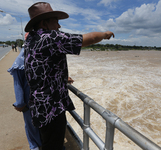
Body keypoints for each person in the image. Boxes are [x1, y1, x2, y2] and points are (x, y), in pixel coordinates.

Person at [24, 2, 114, 150]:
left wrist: (62, 78)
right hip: (51, 108)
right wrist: (105, 34)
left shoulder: (31, 40)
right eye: (56, 22)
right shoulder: (49, 37)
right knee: (54, 145)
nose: (59, 26)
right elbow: (88, 39)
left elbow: (41, 65)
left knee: (48, 142)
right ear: (44, 23)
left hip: (38, 105)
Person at [7, 33, 42, 150]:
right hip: (32, 100)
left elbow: (17, 84)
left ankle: (35, 145)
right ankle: (36, 145)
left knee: (32, 124)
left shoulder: (21, 60)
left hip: (31, 100)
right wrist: (20, 103)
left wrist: (20, 103)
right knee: (33, 124)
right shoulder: (34, 57)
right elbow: (18, 85)